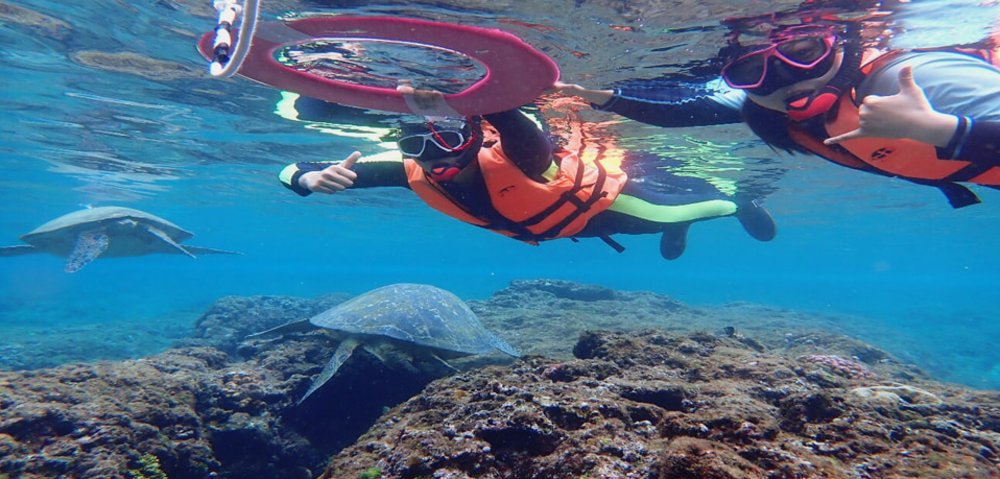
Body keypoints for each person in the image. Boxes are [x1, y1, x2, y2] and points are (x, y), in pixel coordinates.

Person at [554, 15, 1000, 208]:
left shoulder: (915, 74)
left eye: (803, 53)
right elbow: (683, 112)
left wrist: (944, 128)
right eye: (754, 71)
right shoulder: (772, 108)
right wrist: (590, 93)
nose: (786, 79)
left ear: (841, 43)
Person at [278, 89, 777, 260]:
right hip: (546, 224)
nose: (434, 154)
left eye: (450, 137)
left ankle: (736, 202)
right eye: (416, 143)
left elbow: (516, 120)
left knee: (701, 206)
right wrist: (307, 181)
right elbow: (288, 169)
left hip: (610, 211)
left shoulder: (520, 154)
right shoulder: (408, 170)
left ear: (474, 134)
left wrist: (478, 98)